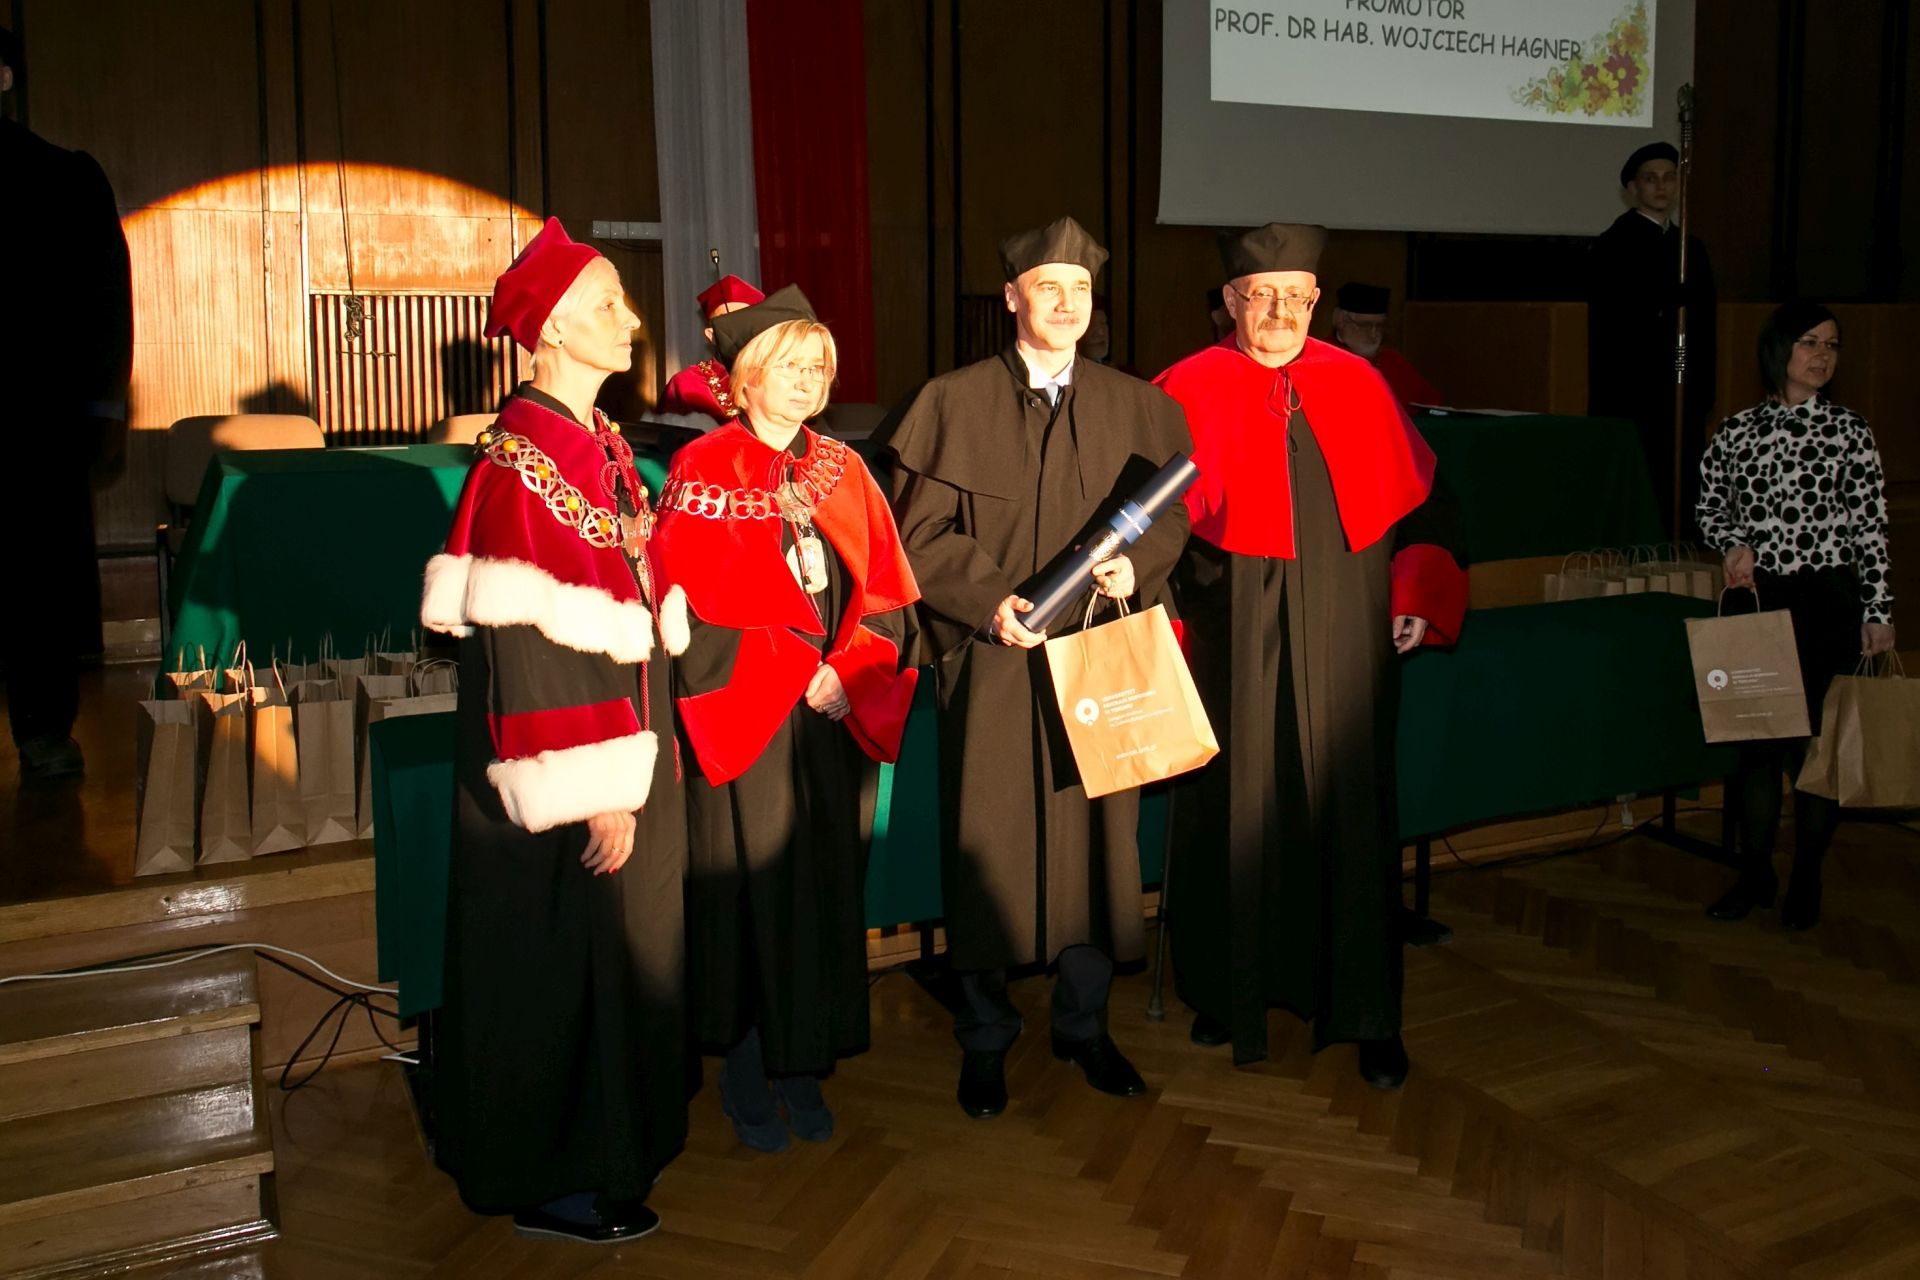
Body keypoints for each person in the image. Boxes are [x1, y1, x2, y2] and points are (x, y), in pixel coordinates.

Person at [884, 216, 1193, 1119]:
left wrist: (1138, 567)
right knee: (987, 839)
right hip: (993, 660)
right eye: (1048, 287)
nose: (1066, 303)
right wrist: (989, 601)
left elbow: (1169, 517)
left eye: (1081, 289)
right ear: (1013, 296)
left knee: (1100, 841)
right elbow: (919, 533)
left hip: (1100, 651)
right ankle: (984, 1034)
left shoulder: (1138, 403)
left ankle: (1084, 1026)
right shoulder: (951, 400)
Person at [420, 218, 691, 1245]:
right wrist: (597, 786)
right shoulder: (526, 460)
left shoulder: (594, 442)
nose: (631, 319)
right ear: (552, 330)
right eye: (608, 302)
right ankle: (558, 1174)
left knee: (604, 956)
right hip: (566, 763)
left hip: (616, 737)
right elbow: (533, 647)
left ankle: (608, 1147)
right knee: (556, 958)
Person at [1154, 223, 1467, 1088]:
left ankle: (1368, 1013)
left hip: (1347, 629)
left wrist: (1414, 594)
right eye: (1262, 295)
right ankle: (1228, 993)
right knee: (1233, 808)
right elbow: (1145, 523)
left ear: (1316, 301)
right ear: (1230, 301)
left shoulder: (1359, 382)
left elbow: (1430, 505)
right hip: (1230, 633)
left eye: (1296, 296)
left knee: (1352, 809)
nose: (1280, 312)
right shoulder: (1184, 387)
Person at [652, 285, 920, 1152]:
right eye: (791, 367)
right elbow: (688, 622)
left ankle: (804, 1062)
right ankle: (745, 1068)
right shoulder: (702, 472)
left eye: (819, 368)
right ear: (745, 378)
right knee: (751, 897)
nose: (809, 382)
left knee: (821, 894)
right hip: (749, 723)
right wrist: (791, 668)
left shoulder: (844, 469)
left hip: (829, 722)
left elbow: (890, 597)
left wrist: (850, 670)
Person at [1697, 302, 1895, 932]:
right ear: (1779, 348)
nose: (1822, 355)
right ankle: (1755, 872)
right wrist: (1733, 543)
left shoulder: (1850, 430)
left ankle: (1807, 874)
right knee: (1757, 746)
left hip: (1828, 602)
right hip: (1760, 601)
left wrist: (1879, 610)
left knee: (1817, 749)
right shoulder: (1736, 431)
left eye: (1831, 345)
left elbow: (1871, 529)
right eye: (1810, 342)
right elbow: (1709, 508)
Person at [1, 26, 133, 782]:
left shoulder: (63, 177)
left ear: (5, 78)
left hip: (35, 421)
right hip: (39, 421)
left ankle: (45, 728)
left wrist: (105, 412)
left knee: (37, 579)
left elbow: (106, 304)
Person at [1588, 140, 1718, 538]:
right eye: (1650, 179)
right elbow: (1616, 323)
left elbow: (1705, 325)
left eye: (1669, 178)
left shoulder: (1690, 247)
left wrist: (1700, 384)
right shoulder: (1614, 245)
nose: (1661, 187)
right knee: (1643, 482)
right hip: (1636, 391)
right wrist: (1662, 302)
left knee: (1682, 479)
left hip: (1682, 383)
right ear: (1633, 188)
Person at [659, 273, 765, 423]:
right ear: (711, 335)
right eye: (726, 324)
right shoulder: (685, 385)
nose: (737, 331)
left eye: (745, 322)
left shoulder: (780, 377)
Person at [1330, 282, 1441, 410]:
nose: (1373, 334)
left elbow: (1430, 404)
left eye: (1379, 326)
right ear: (1341, 321)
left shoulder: (1393, 361)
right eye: (1365, 325)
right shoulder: (1324, 358)